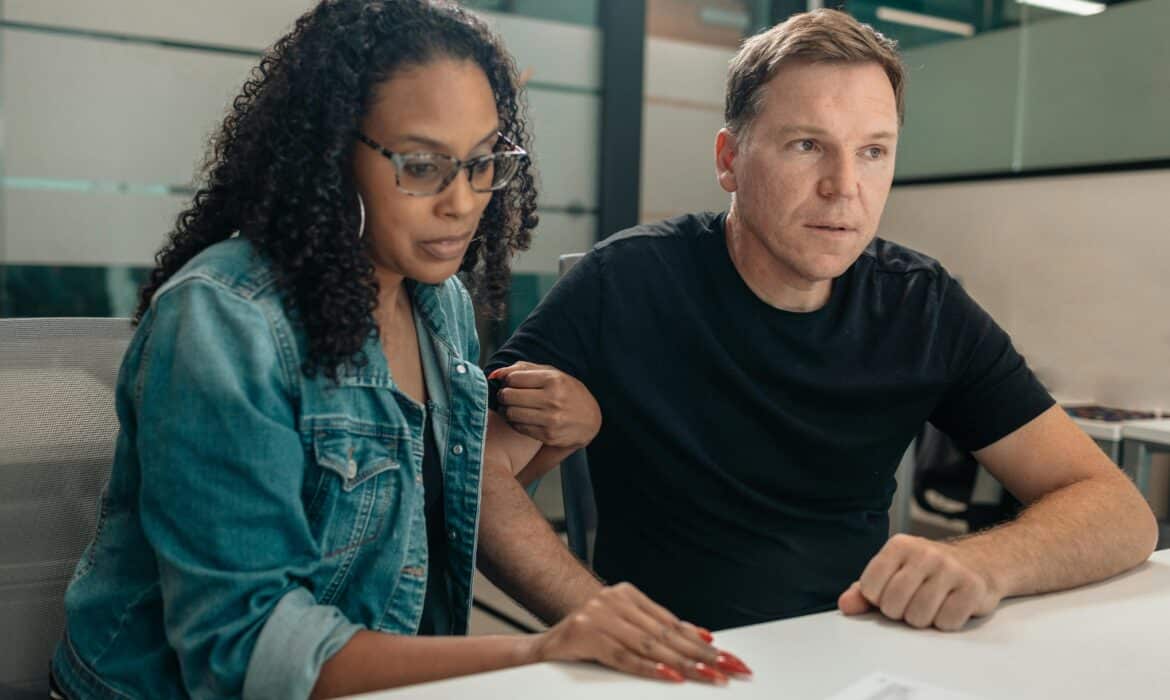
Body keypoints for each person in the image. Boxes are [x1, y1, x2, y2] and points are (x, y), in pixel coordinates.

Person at [50, 2, 751, 698]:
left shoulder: (432, 301)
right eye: (421, 166)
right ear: (328, 153)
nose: (462, 202)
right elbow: (248, 648)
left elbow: (424, 524)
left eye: (482, 163)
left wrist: (563, 440)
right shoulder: (224, 321)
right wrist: (535, 653)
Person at [488, 9, 1158, 633]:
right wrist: (596, 615)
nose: (845, 186)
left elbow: (1118, 511)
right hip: (677, 660)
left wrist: (989, 563)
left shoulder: (919, 304)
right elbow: (475, 477)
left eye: (873, 151)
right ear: (729, 159)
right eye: (808, 145)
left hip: (856, 647)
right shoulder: (628, 281)